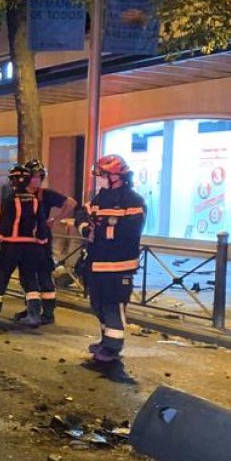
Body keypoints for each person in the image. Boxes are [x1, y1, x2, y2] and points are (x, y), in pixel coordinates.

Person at [75, 154, 146, 363]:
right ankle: (106, 340)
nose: (100, 179)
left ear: (117, 176)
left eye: (104, 175)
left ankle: (113, 347)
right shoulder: (100, 198)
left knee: (113, 305)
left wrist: (103, 229)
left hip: (118, 265)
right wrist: (86, 228)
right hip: (97, 262)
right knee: (97, 304)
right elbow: (83, 212)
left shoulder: (133, 200)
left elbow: (131, 232)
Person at [16, 159, 77, 325]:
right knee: (29, 276)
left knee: (41, 275)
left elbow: (70, 203)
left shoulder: (45, 194)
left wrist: (54, 220)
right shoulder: (20, 194)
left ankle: (45, 313)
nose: (37, 180)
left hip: (39, 241)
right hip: (25, 240)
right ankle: (33, 310)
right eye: (34, 176)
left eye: (39, 176)